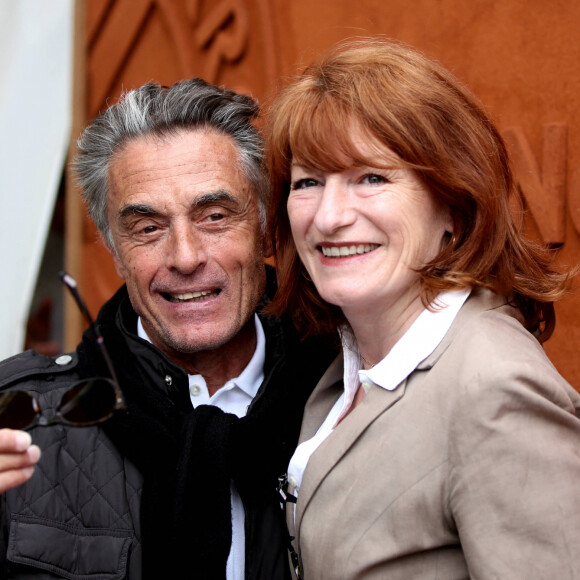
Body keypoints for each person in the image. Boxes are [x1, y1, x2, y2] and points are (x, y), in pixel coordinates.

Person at [265, 37, 580, 579]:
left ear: (452, 206)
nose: (330, 216)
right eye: (309, 182)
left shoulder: (493, 388)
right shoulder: (338, 368)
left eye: (372, 177)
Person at [0, 79, 334, 579]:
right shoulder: (20, 422)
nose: (185, 257)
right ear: (114, 250)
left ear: (266, 226)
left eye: (215, 216)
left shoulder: (350, 394)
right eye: (148, 228)